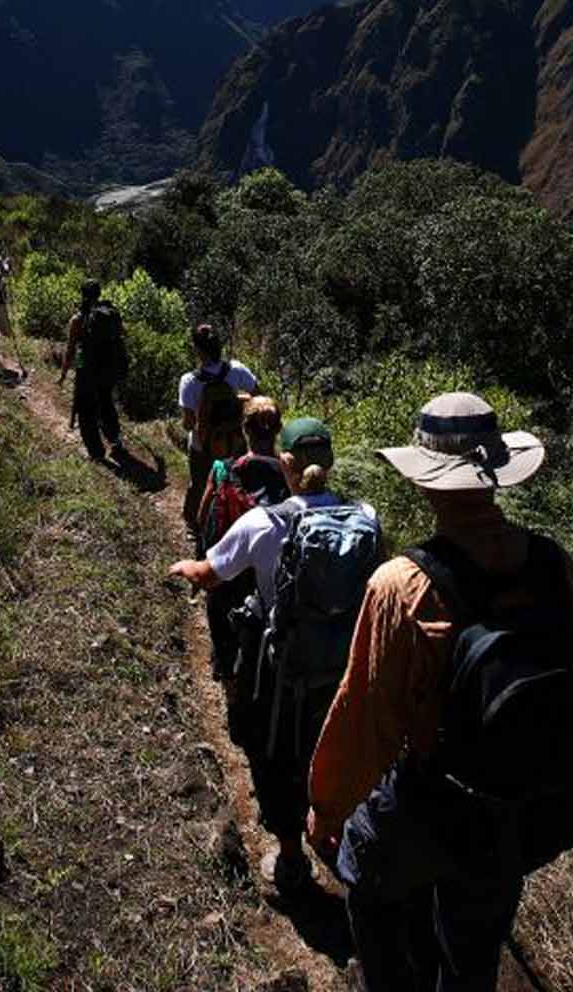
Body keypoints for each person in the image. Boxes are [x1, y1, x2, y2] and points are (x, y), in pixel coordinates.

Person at [306, 393, 573, 992]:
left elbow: (365, 719)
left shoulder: (404, 585)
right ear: (496, 476)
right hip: (518, 800)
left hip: (433, 799)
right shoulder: (557, 567)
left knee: (363, 873)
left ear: (425, 481)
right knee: (475, 942)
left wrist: (327, 807)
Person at [169, 417, 380, 898]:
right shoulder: (366, 515)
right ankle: (333, 831)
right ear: (329, 462)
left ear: (283, 463)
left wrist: (184, 566)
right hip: (345, 670)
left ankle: (289, 862)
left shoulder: (264, 522)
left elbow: (210, 574)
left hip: (282, 674)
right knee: (332, 751)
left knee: (275, 758)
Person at [191, 395, 291, 684]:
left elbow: (202, 517)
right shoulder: (290, 477)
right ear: (277, 430)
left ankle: (226, 674)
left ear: (244, 430)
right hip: (269, 572)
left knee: (220, 611)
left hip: (230, 567)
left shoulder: (224, 469)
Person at [177, 324, 258, 534]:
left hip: (202, 445)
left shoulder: (189, 381)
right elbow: (258, 398)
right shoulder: (237, 370)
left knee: (200, 484)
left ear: (198, 350)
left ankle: (194, 525)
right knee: (236, 482)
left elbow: (188, 423)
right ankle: (233, 522)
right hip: (234, 441)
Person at [61, 279, 130, 466]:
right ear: (99, 294)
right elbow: (123, 334)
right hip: (107, 368)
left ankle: (96, 452)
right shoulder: (110, 314)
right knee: (106, 402)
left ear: (82, 295)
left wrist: (64, 374)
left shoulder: (77, 319)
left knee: (86, 409)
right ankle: (115, 440)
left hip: (86, 368)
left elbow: (71, 350)